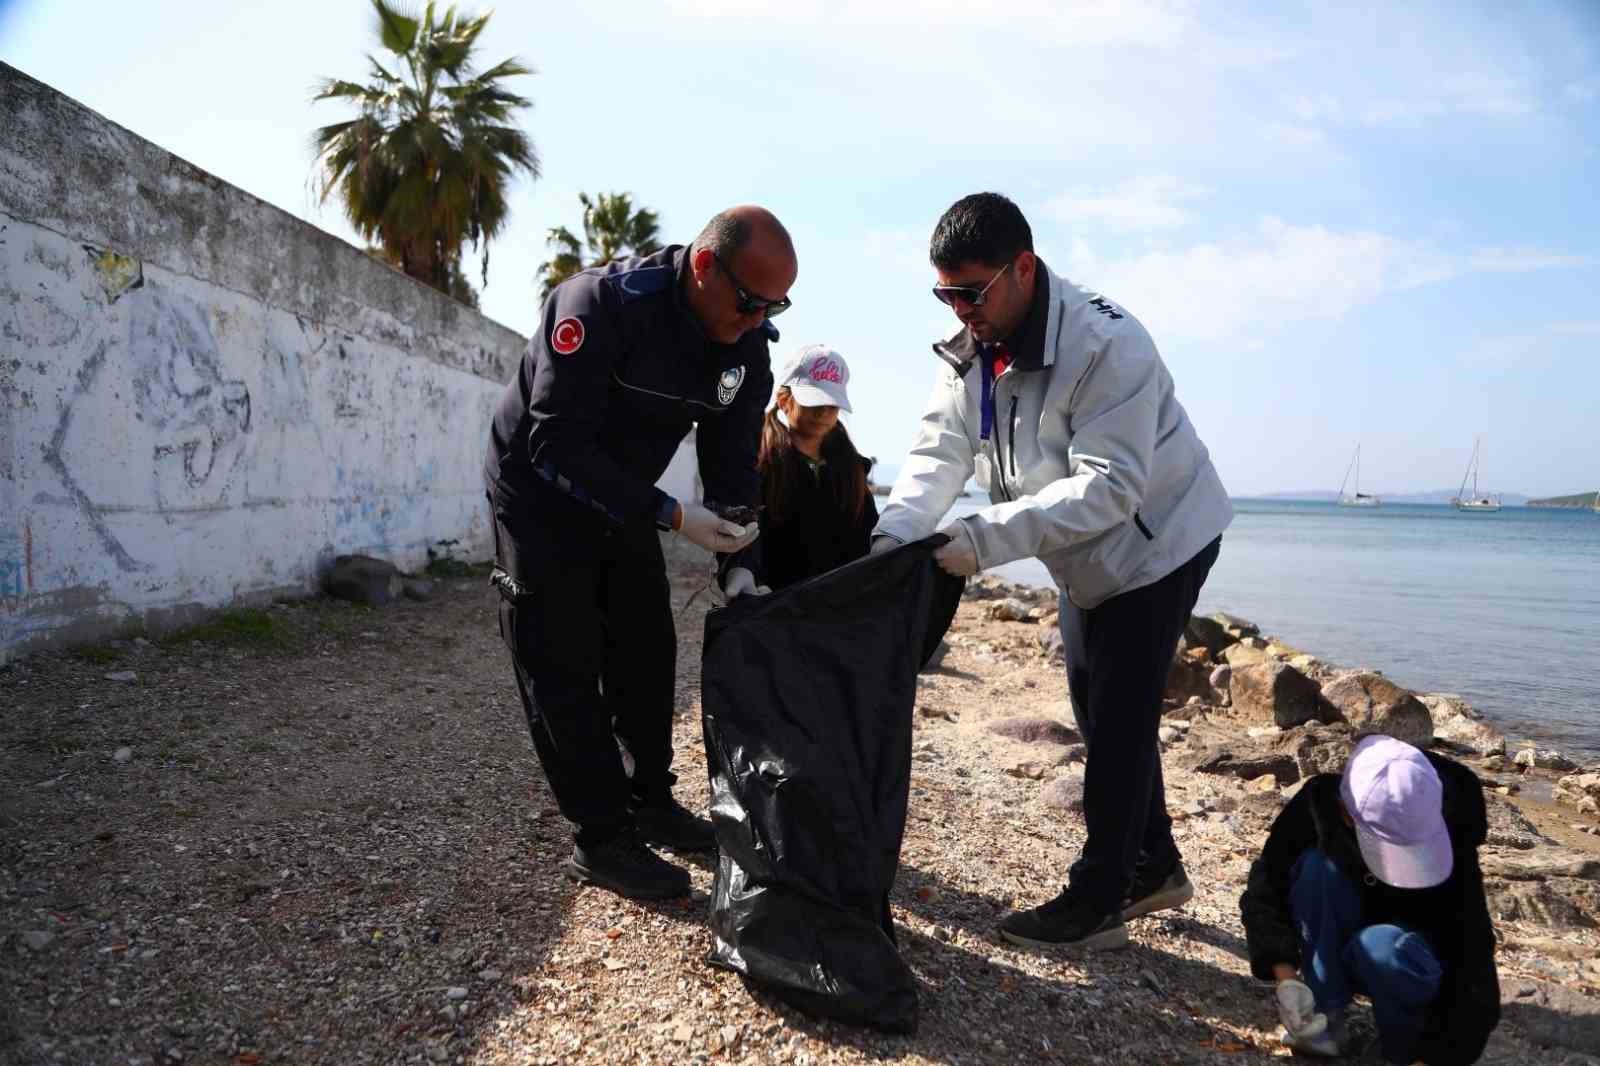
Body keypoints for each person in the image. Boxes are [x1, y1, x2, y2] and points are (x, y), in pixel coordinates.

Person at [870, 192, 1233, 950]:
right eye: (945, 293)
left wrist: (980, 539)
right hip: (1082, 552)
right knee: (1095, 702)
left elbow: (1110, 487)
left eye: (971, 292)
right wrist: (894, 537)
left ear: (1024, 269)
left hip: (1160, 539)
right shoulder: (971, 346)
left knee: (1119, 714)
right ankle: (1156, 863)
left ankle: (1098, 899)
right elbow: (941, 449)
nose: (959, 309)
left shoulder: (1107, 345)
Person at [483, 206, 797, 900]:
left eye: (774, 308)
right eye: (751, 302)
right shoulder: (598, 306)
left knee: (647, 646)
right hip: (538, 491)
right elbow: (554, 444)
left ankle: (650, 800)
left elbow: (733, 461)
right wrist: (673, 515)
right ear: (705, 267)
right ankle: (601, 837)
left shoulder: (744, 343)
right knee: (561, 658)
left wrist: (740, 560)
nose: (757, 321)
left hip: (623, 496)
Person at [1240, 735, 1500, 1063]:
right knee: (1318, 868)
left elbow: (1472, 949)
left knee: (1382, 947)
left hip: (1403, 952)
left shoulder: (1448, 817)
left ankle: (1401, 1046)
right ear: (1344, 812)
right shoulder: (1321, 805)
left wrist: (1440, 1056)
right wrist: (1286, 979)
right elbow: (1267, 886)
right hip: (1339, 938)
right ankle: (1324, 1016)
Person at [753, 345, 878, 592]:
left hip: (840, 601)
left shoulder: (853, 469)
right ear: (784, 400)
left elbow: (866, 536)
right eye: (813, 402)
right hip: (773, 600)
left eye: (831, 404)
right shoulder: (761, 464)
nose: (823, 412)